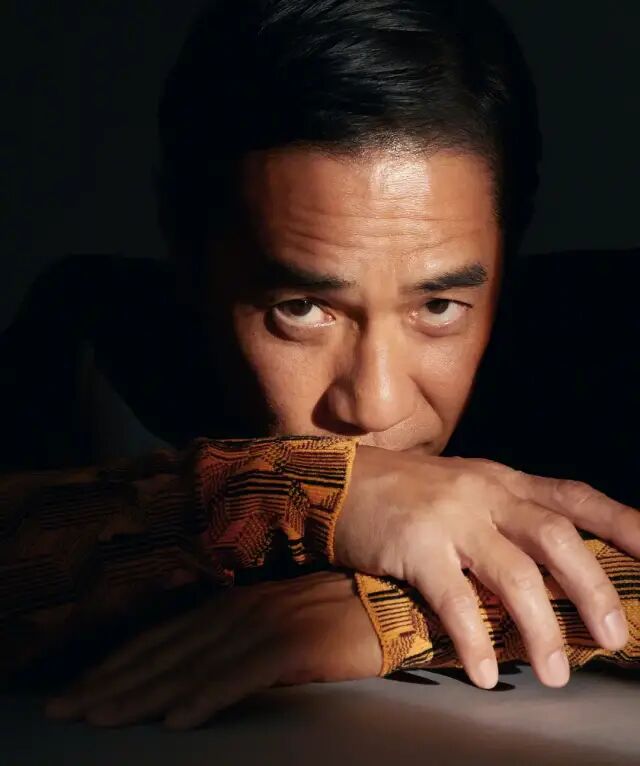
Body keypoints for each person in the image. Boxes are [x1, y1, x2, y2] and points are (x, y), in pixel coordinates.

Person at [1, 0, 639, 730]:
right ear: (190, 259)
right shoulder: (96, 345)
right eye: (302, 309)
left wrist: (426, 607)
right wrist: (298, 496)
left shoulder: (604, 341)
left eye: (438, 307)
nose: (375, 403)